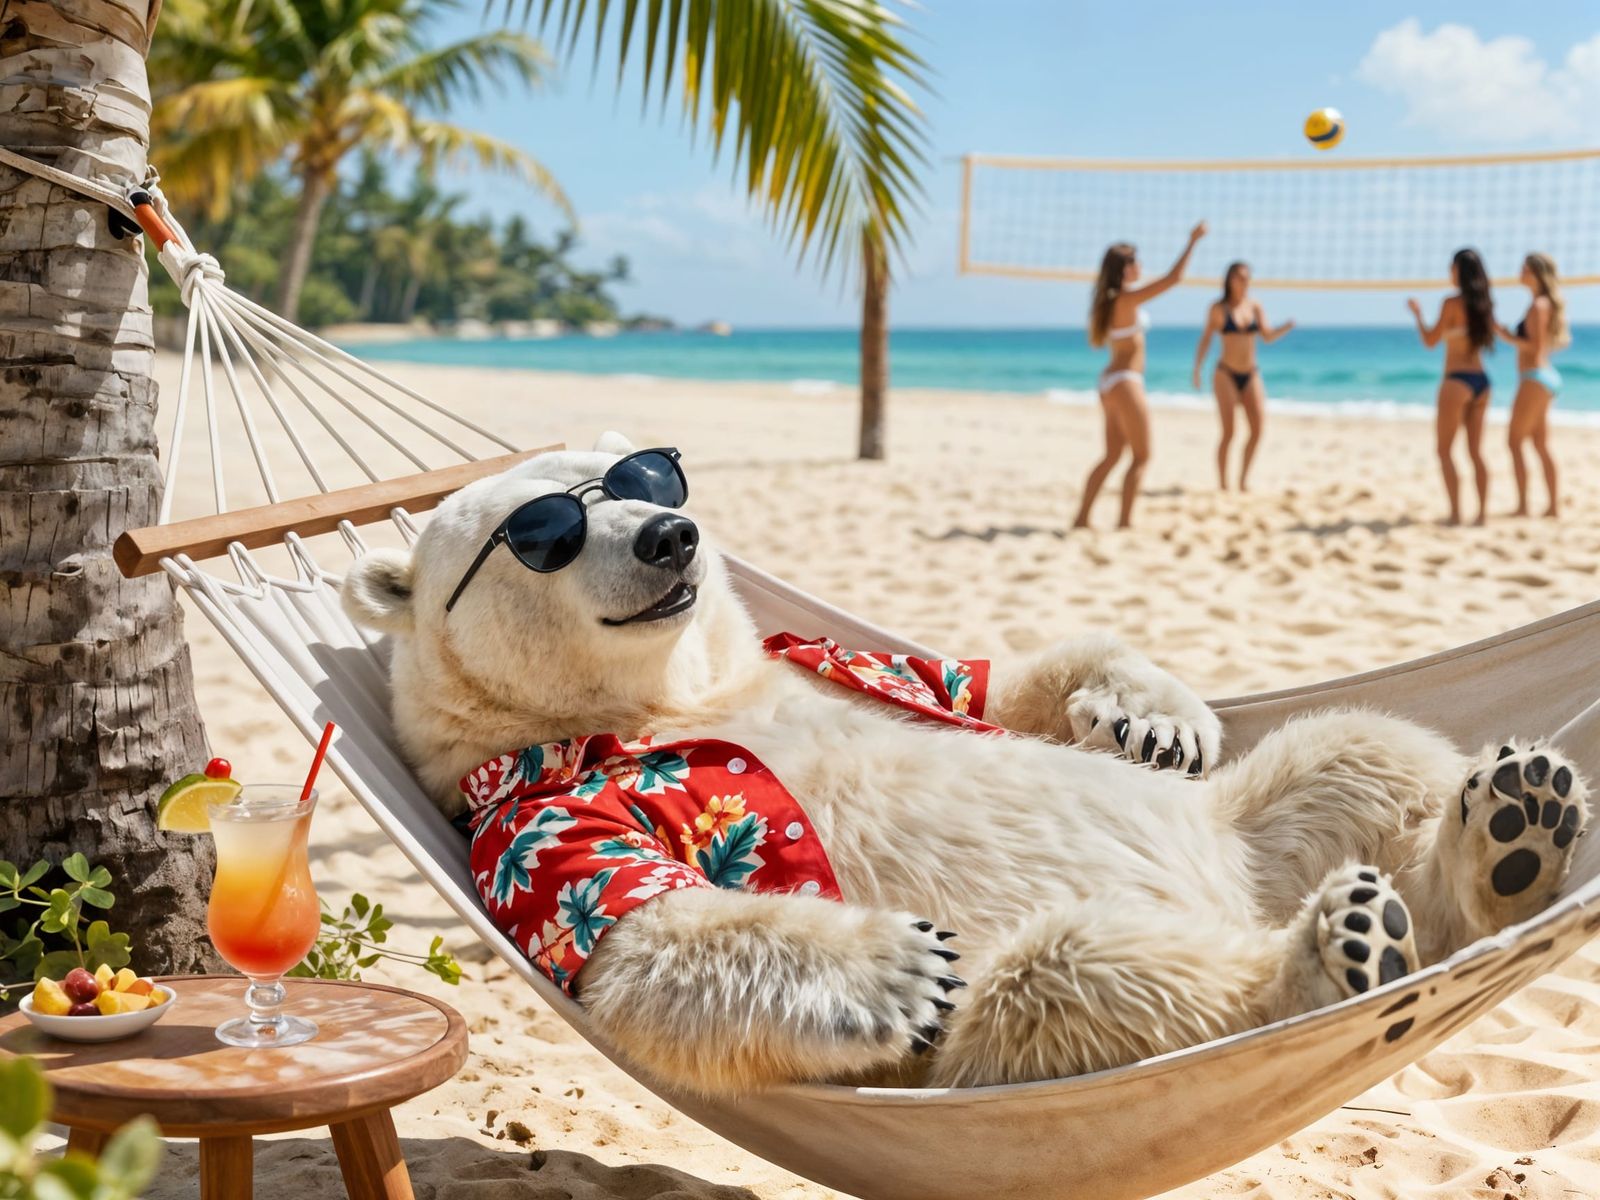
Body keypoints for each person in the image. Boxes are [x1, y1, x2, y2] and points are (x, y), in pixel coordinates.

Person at [1073, 221, 1207, 529]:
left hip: (1109, 382)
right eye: (1136, 261)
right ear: (1125, 268)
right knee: (1142, 456)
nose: (1141, 266)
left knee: (1112, 456)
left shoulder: (1108, 300)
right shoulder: (1125, 299)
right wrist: (1192, 242)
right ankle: (1124, 522)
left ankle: (1082, 518)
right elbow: (1174, 278)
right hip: (1125, 382)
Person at [1407, 248, 1495, 526]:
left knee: (1444, 451)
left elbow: (1430, 341)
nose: (1449, 272)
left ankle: (1456, 514)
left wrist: (1418, 315)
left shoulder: (1451, 303)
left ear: (1459, 270)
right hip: (1482, 382)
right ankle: (1481, 515)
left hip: (1457, 380)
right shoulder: (1484, 304)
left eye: (1451, 267)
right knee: (1475, 452)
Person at [1190, 261, 1295, 490]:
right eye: (1240, 277)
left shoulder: (1255, 306)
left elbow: (1266, 336)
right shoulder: (1218, 308)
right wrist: (1197, 369)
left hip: (1251, 373)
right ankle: (1223, 484)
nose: (1245, 282)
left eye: (1247, 278)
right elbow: (1206, 339)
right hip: (1225, 373)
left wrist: (1284, 328)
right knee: (1229, 432)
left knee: (1257, 430)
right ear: (1230, 280)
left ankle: (1243, 480)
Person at [1496, 253, 1569, 518]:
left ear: (1537, 273)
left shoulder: (1538, 305)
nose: (1520, 271)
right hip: (1545, 377)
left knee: (1514, 442)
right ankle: (1552, 507)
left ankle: (1523, 506)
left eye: (1525, 268)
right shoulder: (1543, 303)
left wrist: (1506, 336)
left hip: (1535, 377)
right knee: (1539, 444)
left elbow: (1536, 348)